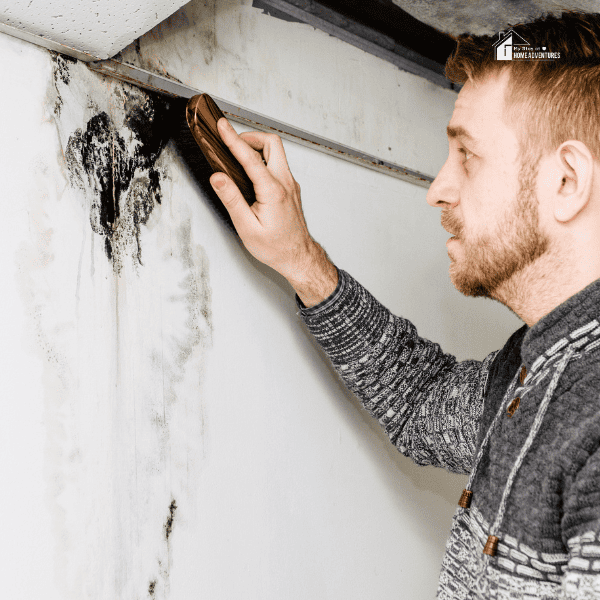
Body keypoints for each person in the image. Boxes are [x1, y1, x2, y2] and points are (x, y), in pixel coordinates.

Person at [207, 11, 600, 599]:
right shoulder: (542, 364)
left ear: (566, 182)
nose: (438, 188)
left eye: (467, 156)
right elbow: (424, 401)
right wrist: (301, 258)